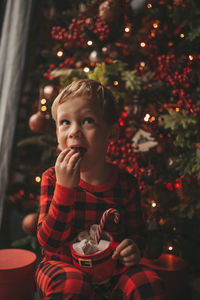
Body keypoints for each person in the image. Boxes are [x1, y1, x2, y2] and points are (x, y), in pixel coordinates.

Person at [36, 79, 165, 299]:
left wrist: (133, 247)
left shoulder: (126, 184)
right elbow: (49, 243)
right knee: (72, 286)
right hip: (62, 266)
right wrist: (65, 189)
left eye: (87, 121)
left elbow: (137, 234)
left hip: (112, 271)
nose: (74, 131)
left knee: (147, 283)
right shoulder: (52, 178)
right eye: (65, 122)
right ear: (57, 135)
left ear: (111, 133)